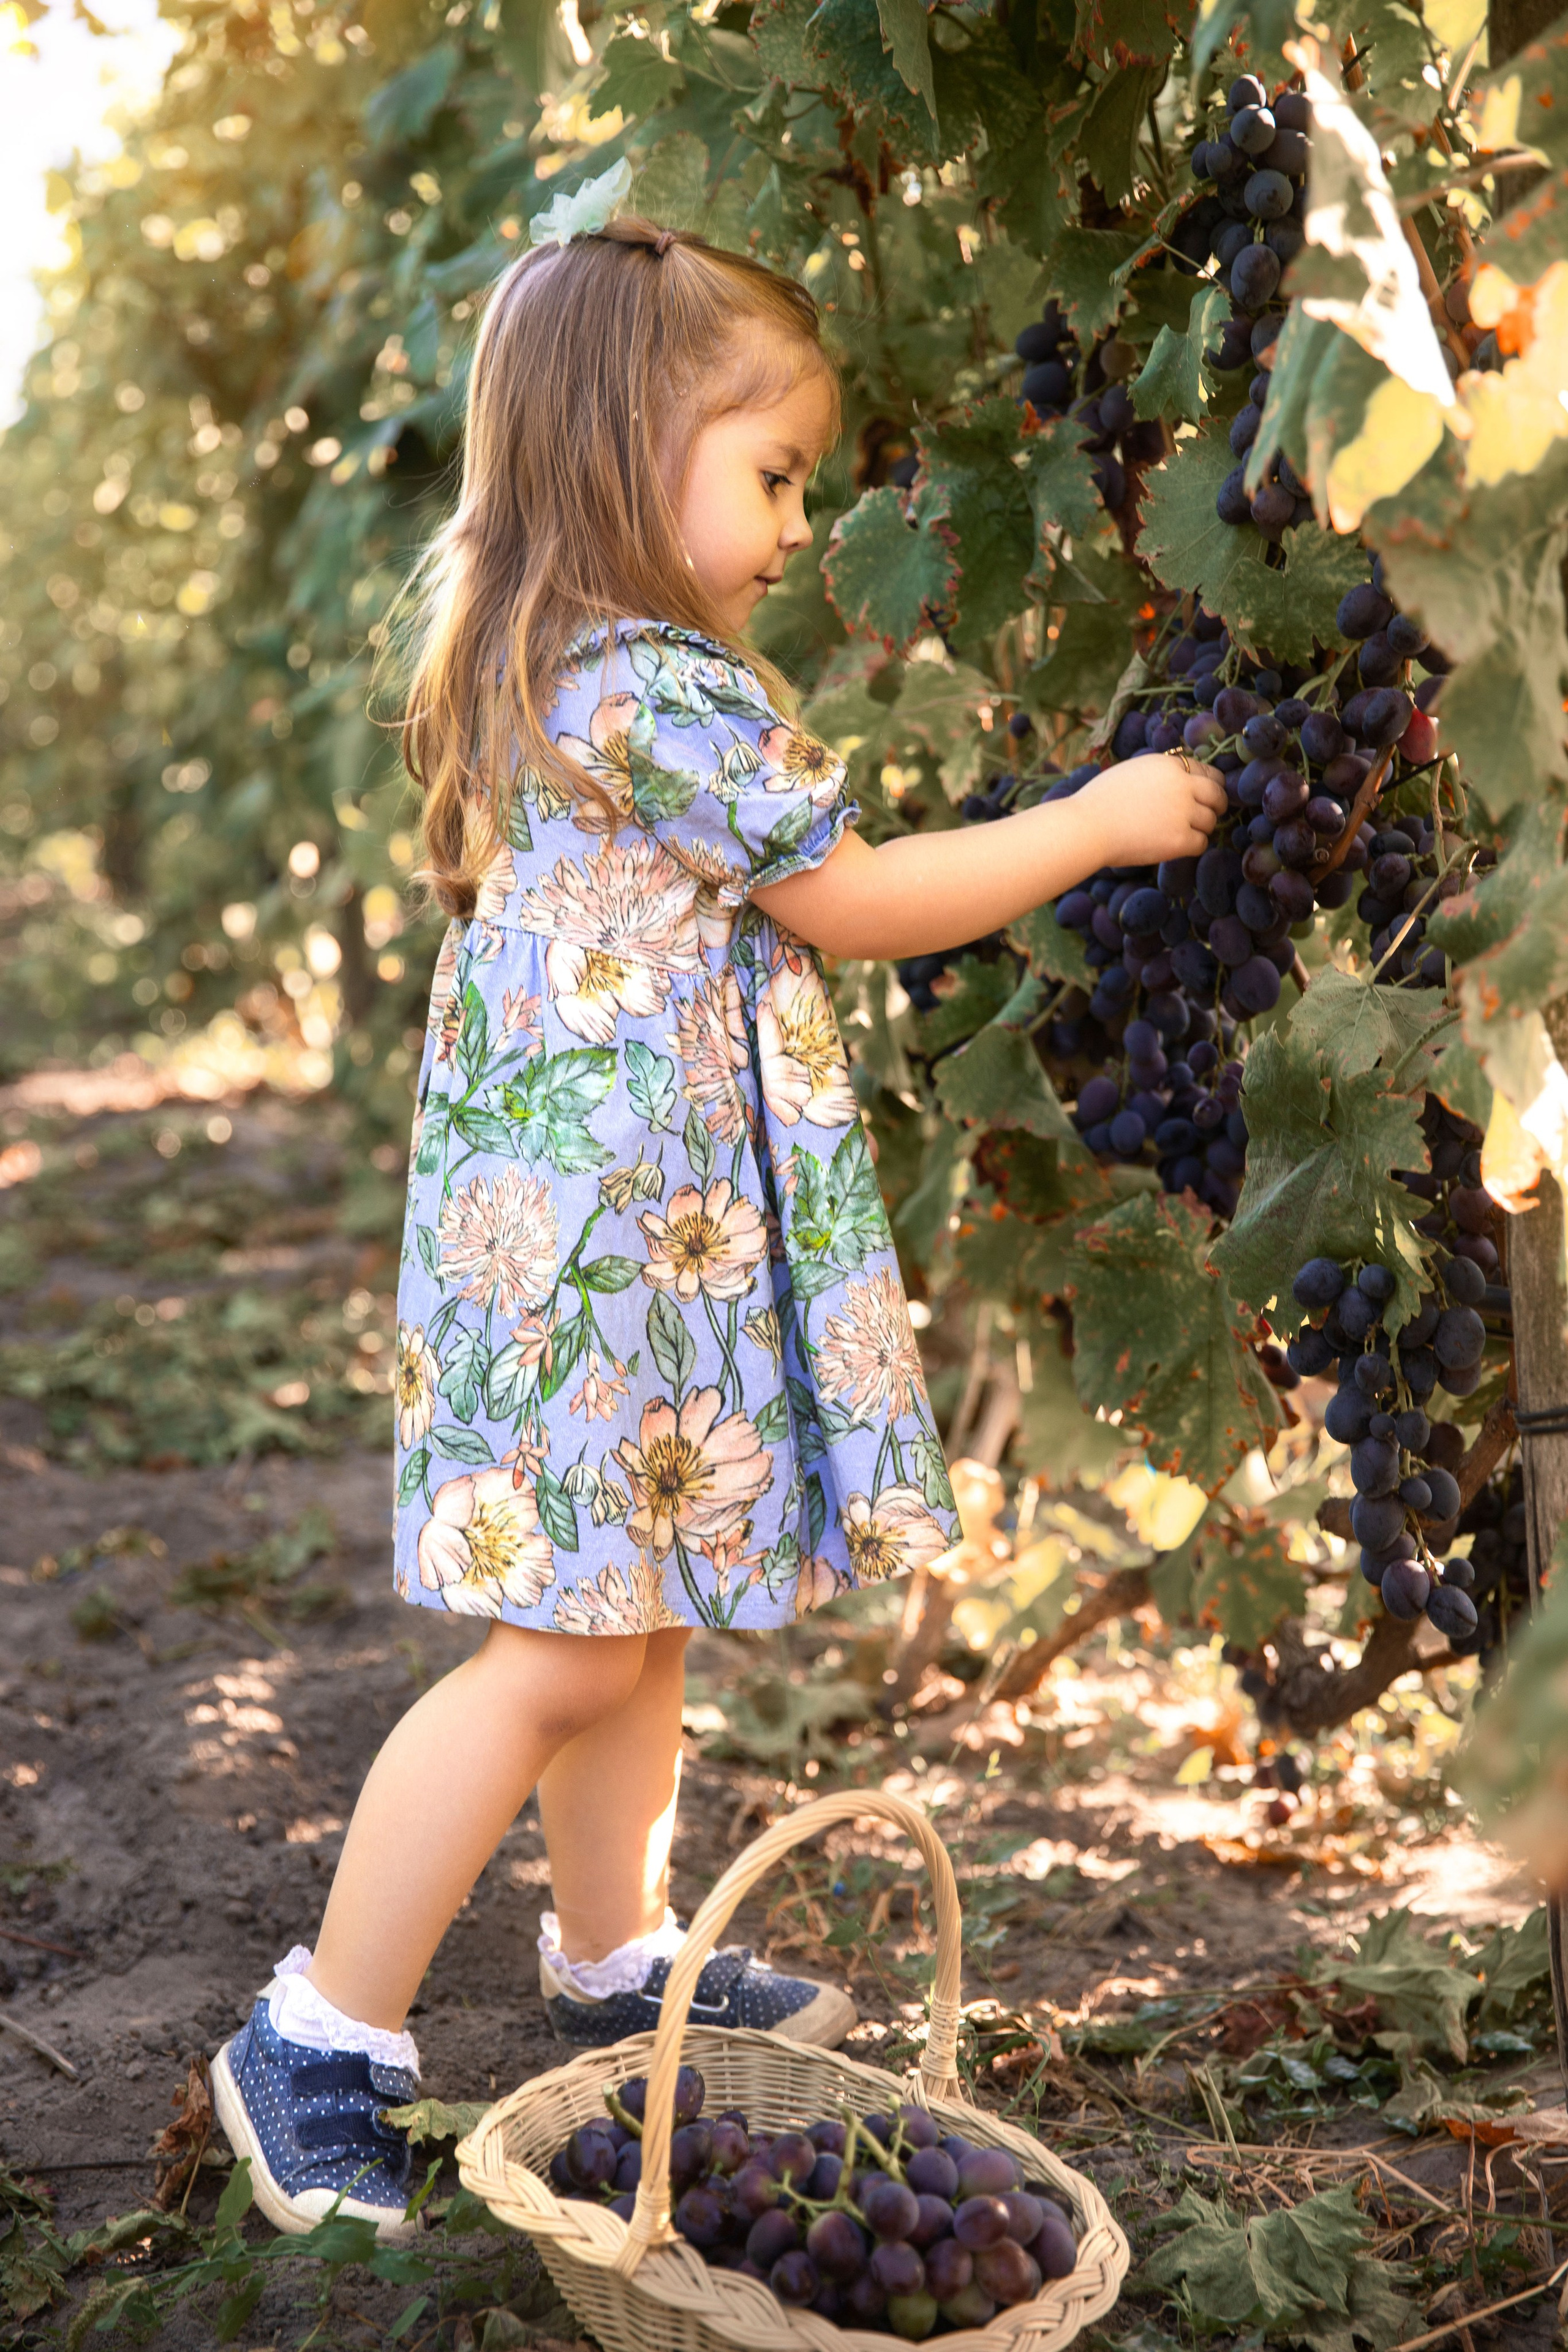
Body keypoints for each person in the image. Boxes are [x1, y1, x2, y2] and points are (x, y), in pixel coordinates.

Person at [211, 211, 1225, 2241]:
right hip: (604, 1262)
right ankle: (319, 2034)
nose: (789, 527)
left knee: (628, 1616)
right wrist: (1099, 819)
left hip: (609, 1250)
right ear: (621, 451)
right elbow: (850, 896)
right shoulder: (654, 687)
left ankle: (616, 1954)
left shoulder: (553, 664)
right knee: (549, 1661)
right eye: (768, 476)